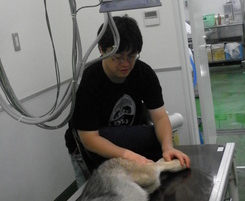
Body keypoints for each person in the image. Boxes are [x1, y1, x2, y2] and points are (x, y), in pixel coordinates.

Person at [65, 15, 190, 187]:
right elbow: (89, 139)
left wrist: (167, 147)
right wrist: (127, 155)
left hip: (122, 139)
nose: (125, 63)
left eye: (131, 56)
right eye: (117, 57)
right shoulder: (87, 82)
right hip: (89, 145)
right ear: (102, 50)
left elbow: (160, 117)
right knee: (96, 194)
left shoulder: (144, 74)